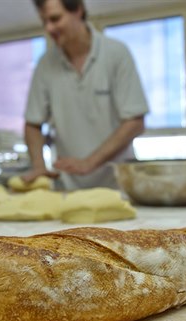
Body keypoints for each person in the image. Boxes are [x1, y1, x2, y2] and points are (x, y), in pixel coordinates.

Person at [22, 0, 148, 190]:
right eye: (44, 21)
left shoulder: (116, 53)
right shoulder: (45, 65)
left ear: (78, 11)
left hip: (118, 186)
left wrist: (89, 162)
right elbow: (32, 123)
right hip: (68, 188)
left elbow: (134, 122)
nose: (49, 28)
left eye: (55, 19)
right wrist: (39, 166)